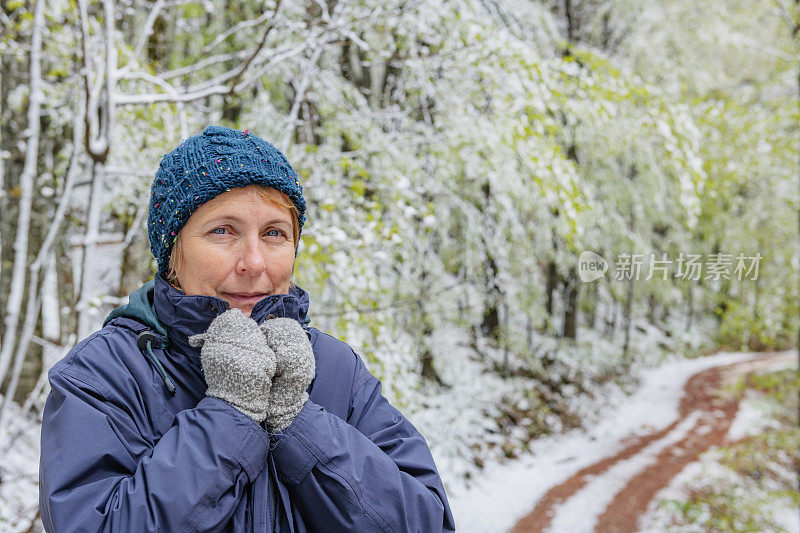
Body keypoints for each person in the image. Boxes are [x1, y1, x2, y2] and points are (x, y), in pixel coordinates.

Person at [38, 125, 456, 532]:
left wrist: (301, 424)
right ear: (172, 252)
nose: (254, 262)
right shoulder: (102, 377)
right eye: (223, 231)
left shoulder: (334, 368)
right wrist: (229, 416)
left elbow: (427, 522)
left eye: (274, 233)